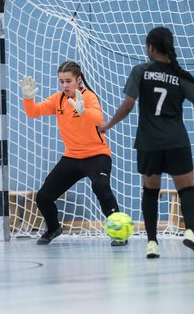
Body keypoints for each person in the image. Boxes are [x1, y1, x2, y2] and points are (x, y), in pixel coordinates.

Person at [98, 27, 194, 258]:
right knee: (188, 189)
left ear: (150, 48)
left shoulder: (141, 71)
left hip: (149, 143)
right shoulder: (180, 75)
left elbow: (128, 105)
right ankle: (190, 230)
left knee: (150, 191)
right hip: (176, 141)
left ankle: (152, 242)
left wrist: (108, 125)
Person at [19, 61, 125, 246]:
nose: (65, 85)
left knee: (100, 186)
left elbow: (98, 119)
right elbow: (33, 113)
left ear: (79, 80)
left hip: (97, 155)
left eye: (68, 81)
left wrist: (83, 112)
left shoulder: (89, 97)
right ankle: (53, 229)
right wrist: (28, 98)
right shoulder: (58, 100)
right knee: (43, 197)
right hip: (72, 157)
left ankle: (119, 233)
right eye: (61, 81)